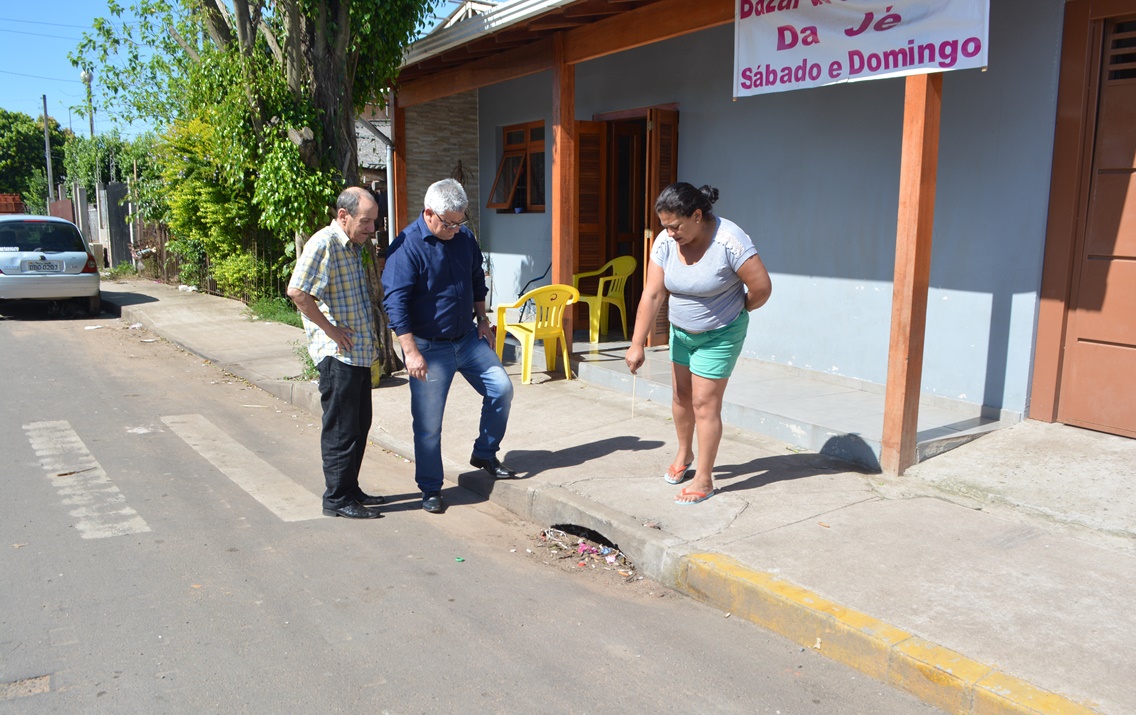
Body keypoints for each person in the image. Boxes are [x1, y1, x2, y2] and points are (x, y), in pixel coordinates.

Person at [625, 183, 772, 505]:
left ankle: (704, 479)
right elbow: (652, 293)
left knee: (705, 404)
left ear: (697, 215)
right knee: (681, 396)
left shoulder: (729, 241)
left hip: (720, 334)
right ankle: (684, 454)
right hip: (680, 331)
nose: (670, 233)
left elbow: (761, 288)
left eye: (675, 226)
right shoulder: (665, 242)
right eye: (665, 226)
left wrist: (735, 309)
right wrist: (637, 344)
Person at [382, 178, 516, 514]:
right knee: (429, 424)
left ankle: (485, 452)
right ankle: (430, 488)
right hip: (429, 347)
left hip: (467, 339)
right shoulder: (407, 246)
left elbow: (475, 279)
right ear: (428, 213)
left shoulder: (463, 237)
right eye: (449, 223)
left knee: (501, 389)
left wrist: (482, 320)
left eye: (460, 222)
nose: (456, 229)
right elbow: (395, 302)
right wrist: (410, 351)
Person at [287, 187, 385, 520]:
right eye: (366, 221)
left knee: (359, 424)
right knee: (342, 430)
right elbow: (298, 292)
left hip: (356, 353)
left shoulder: (352, 246)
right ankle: (336, 499)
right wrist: (329, 330)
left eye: (373, 222)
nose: (372, 228)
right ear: (343, 216)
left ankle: (349, 489)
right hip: (338, 355)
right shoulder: (324, 244)